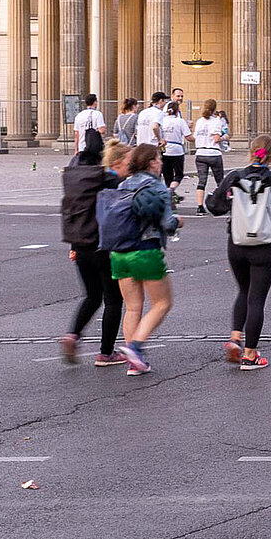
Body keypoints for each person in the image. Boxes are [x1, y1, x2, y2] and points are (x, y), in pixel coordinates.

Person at [206, 134, 271, 371]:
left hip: (237, 243)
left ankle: (234, 338)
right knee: (257, 298)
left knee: (243, 290)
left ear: (251, 152)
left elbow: (214, 206)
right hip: (265, 245)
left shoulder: (234, 176)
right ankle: (250, 355)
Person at [110, 144, 182, 376]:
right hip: (145, 250)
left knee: (132, 307)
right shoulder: (157, 187)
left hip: (119, 252)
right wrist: (178, 222)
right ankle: (135, 348)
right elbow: (166, 224)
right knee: (162, 303)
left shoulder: (123, 184)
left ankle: (134, 362)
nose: (161, 161)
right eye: (159, 158)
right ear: (152, 162)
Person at [59, 132, 126, 367]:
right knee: (113, 299)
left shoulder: (74, 179)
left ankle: (73, 334)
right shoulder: (104, 179)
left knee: (91, 296)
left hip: (79, 245)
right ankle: (106, 353)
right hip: (102, 247)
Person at [192, 99, 230, 215]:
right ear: (214, 108)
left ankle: (199, 206)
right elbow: (216, 138)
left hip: (200, 153)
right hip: (213, 153)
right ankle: (223, 203)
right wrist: (225, 137)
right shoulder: (216, 121)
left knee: (202, 181)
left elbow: (194, 137)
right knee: (220, 180)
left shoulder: (199, 121)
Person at [157, 99, 191, 191]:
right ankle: (172, 190)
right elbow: (188, 136)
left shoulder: (162, 121)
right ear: (177, 112)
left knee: (167, 175)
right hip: (177, 150)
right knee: (179, 175)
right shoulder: (180, 121)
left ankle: (169, 191)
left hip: (165, 150)